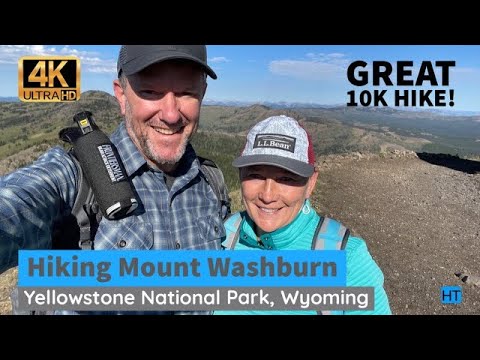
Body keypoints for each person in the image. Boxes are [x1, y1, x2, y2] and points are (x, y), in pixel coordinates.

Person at [0, 45, 228, 315]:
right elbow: (16, 204)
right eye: (150, 92)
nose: (170, 114)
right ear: (121, 95)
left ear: (202, 94)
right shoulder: (76, 179)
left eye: (186, 92)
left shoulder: (212, 184)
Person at [215, 115, 392, 315]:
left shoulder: (348, 259)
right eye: (255, 175)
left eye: (286, 178)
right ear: (240, 176)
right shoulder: (220, 238)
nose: (268, 195)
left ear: (311, 183)